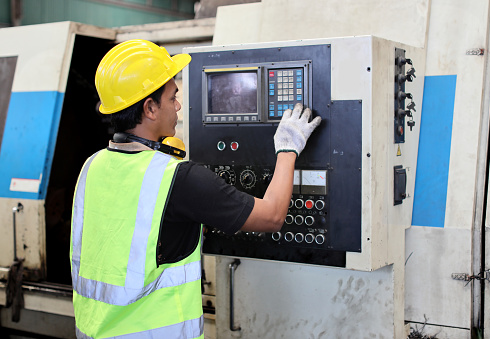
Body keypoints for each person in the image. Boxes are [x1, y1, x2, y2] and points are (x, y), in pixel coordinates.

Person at [70, 39, 321, 339]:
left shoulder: (91, 166)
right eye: (172, 97)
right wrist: (288, 148)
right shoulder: (179, 179)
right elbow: (272, 216)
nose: (178, 105)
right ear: (150, 108)